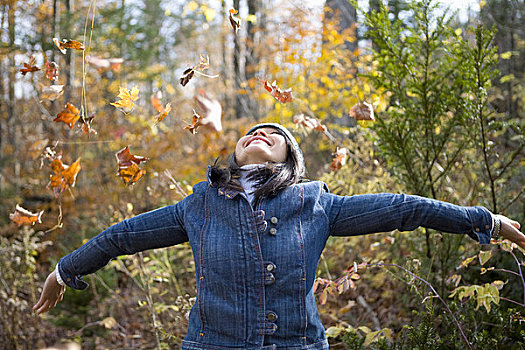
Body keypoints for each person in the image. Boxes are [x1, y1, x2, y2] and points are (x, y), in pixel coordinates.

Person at [33, 97, 524, 350]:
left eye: (276, 134)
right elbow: (122, 236)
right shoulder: (199, 205)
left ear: (292, 159)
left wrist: (484, 220)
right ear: (237, 150)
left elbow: (403, 208)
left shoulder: (317, 204)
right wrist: (64, 270)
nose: (261, 131)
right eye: (252, 132)